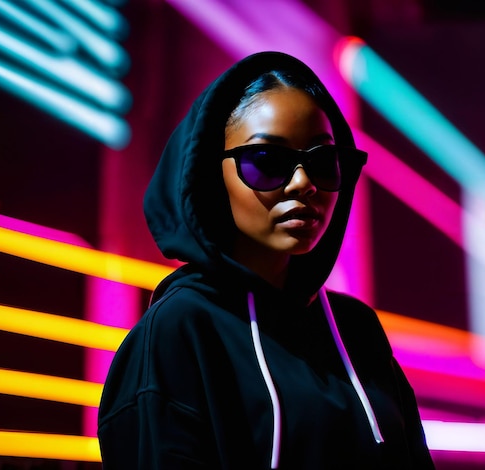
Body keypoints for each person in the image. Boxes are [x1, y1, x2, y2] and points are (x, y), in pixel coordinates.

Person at [97, 51, 434, 469]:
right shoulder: (180, 331)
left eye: (322, 163)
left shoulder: (356, 329)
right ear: (209, 173)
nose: (303, 183)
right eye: (268, 161)